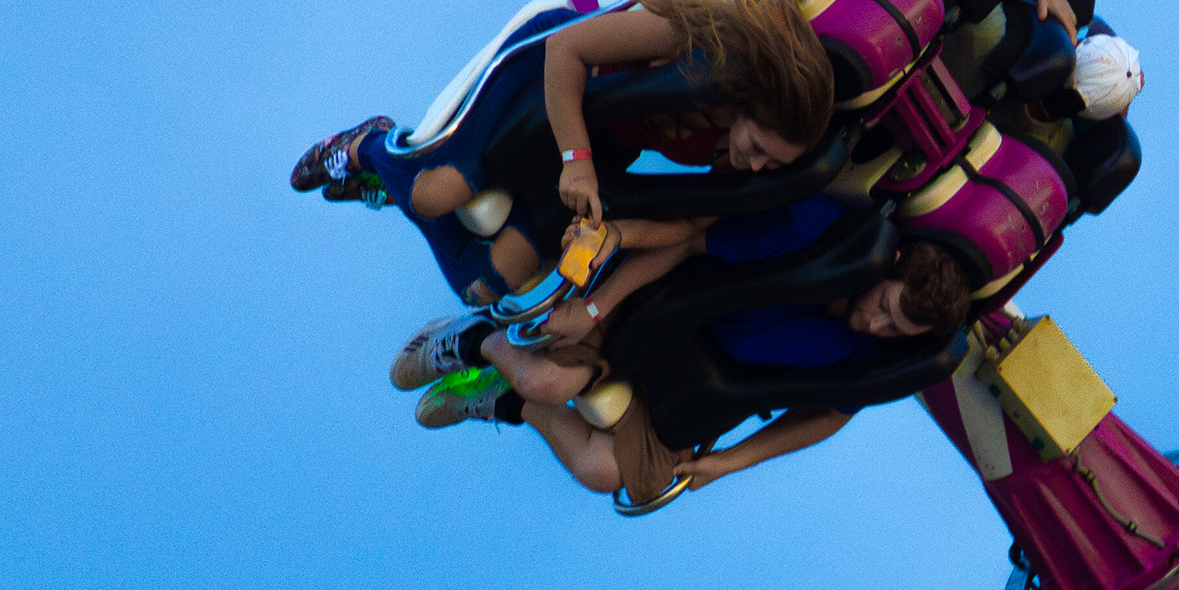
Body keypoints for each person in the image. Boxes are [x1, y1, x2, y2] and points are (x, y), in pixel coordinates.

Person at [290, 0, 836, 307]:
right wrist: (576, 161)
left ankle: (386, 183)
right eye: (762, 147)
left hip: (591, 151)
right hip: (546, 74)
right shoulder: (698, 39)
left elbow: (692, 225)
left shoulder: (730, 154)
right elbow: (565, 47)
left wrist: (616, 234)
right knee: (436, 195)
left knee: (483, 286)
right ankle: (370, 145)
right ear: (752, 103)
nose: (758, 166)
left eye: (772, 164)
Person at [393, 211, 978, 503]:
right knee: (549, 379)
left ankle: (499, 399)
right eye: (883, 304)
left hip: (683, 386)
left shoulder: (866, 352)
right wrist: (597, 308)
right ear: (890, 268)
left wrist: (733, 460)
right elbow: (692, 238)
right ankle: (475, 342)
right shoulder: (816, 238)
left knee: (607, 474)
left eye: (894, 329)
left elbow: (827, 415)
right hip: (645, 314)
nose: (874, 323)